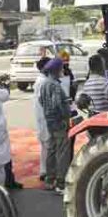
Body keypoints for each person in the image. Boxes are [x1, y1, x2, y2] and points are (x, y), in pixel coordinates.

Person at [38, 58, 71, 193]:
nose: (63, 71)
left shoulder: (45, 83)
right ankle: (61, 182)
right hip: (59, 122)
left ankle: (49, 180)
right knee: (62, 152)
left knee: (51, 150)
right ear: (57, 70)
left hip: (49, 121)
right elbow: (57, 103)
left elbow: (41, 100)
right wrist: (65, 115)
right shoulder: (56, 86)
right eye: (61, 68)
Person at [33, 57, 51, 183]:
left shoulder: (42, 81)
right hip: (45, 119)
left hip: (42, 118)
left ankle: (44, 170)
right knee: (48, 146)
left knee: (46, 147)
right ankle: (47, 172)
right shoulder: (44, 82)